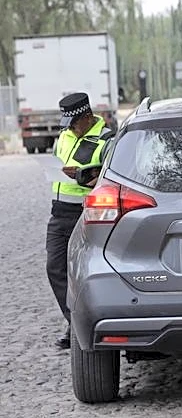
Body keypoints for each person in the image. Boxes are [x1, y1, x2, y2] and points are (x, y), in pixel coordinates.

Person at [46, 92, 114, 349]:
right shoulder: (64, 136)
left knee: (84, 272)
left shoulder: (106, 139)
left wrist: (87, 177)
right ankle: (73, 321)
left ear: (87, 118)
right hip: (59, 211)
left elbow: (109, 179)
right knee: (54, 267)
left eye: (74, 124)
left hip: (87, 213)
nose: (71, 130)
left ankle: (79, 326)